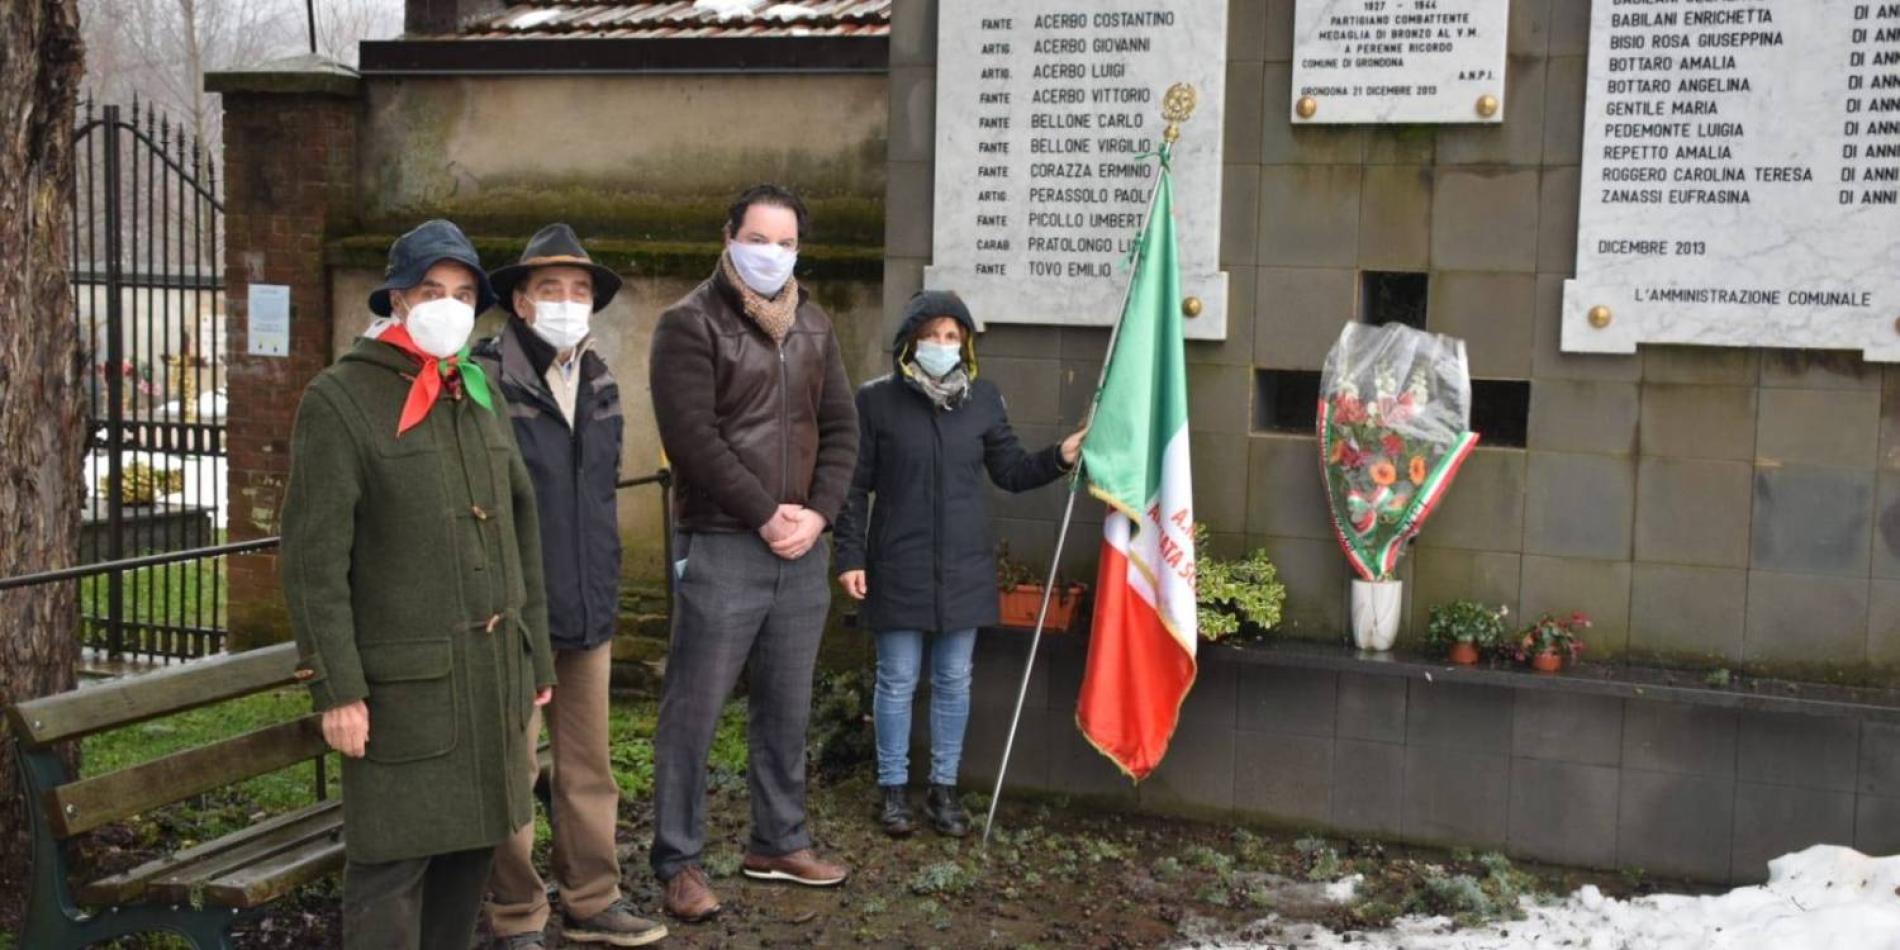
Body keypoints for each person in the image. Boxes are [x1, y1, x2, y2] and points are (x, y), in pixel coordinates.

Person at [280, 219, 556, 950]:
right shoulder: (340, 399)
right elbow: (313, 559)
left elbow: (521, 527)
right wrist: (336, 687)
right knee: (391, 869)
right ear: (397, 299)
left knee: (470, 852)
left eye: (465, 293)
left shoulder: (478, 388)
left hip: (489, 674)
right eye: (433, 290)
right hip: (404, 689)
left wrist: (536, 658)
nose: (450, 306)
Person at [646, 183, 858, 922]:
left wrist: (819, 517)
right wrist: (765, 515)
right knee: (693, 712)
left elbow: (841, 432)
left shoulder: (816, 328)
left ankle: (778, 840)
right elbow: (693, 440)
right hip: (723, 544)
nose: (772, 253)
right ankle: (677, 859)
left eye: (786, 241)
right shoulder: (688, 324)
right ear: (729, 235)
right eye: (759, 238)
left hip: (800, 551)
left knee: (786, 707)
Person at [474, 224, 668, 948]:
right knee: (514, 770)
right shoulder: (487, 377)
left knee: (588, 767)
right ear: (519, 302)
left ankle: (592, 899)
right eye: (549, 289)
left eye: (578, 290)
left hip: (587, 605)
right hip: (516, 611)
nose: (566, 301)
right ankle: (518, 914)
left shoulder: (601, 377)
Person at [832, 290, 1086, 838]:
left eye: (953, 337)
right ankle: (893, 790)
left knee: (954, 680)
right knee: (897, 680)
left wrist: (1061, 456)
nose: (942, 345)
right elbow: (852, 487)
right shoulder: (876, 402)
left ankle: (944, 791)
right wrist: (849, 556)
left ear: (966, 345)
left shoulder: (984, 400)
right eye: (932, 335)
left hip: (965, 566)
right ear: (910, 341)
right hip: (897, 563)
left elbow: (1012, 470)